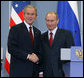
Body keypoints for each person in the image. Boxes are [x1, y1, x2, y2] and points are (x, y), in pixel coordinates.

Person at [8, 5, 41, 77]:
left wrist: (38, 57)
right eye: (28, 14)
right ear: (23, 15)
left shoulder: (37, 32)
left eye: (32, 14)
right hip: (19, 72)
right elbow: (11, 48)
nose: (30, 16)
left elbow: (39, 51)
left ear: (36, 16)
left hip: (34, 73)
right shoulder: (15, 29)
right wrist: (28, 56)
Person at [39, 12, 74, 77]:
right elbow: (41, 56)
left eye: (52, 21)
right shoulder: (42, 37)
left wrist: (67, 72)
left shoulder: (66, 34)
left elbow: (71, 53)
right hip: (46, 73)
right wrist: (40, 72)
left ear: (57, 21)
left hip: (62, 72)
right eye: (48, 21)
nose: (49, 23)